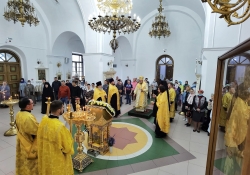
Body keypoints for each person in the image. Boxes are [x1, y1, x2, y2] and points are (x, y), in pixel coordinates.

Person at [37, 100, 74, 175]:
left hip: (45, 155)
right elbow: (67, 148)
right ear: (58, 110)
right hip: (56, 158)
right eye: (62, 108)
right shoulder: (60, 127)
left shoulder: (43, 121)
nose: (63, 109)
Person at [224, 88, 250, 175]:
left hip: (237, 137)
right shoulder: (240, 104)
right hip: (237, 137)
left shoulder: (242, 103)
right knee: (235, 163)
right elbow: (245, 116)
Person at [15, 98, 39, 175]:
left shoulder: (19, 113)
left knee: (23, 158)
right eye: (32, 103)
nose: (33, 104)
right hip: (29, 143)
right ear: (27, 106)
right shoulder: (28, 117)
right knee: (31, 162)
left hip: (21, 140)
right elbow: (36, 131)